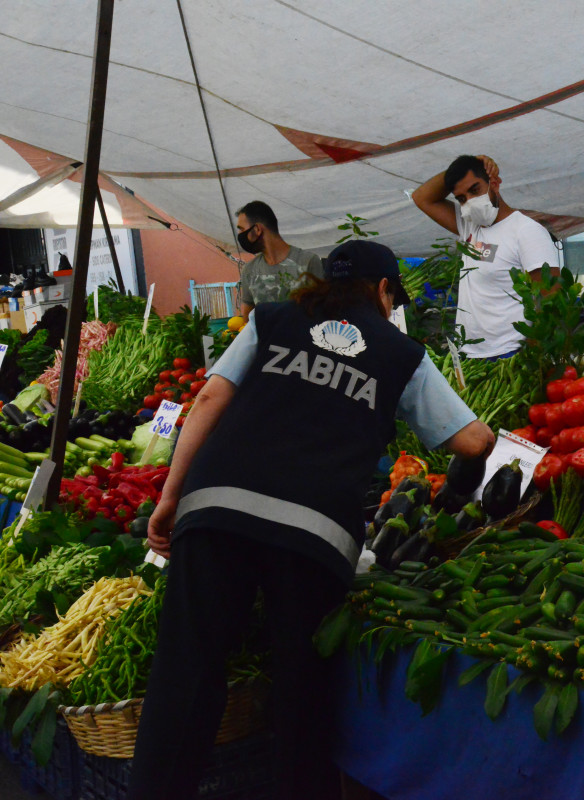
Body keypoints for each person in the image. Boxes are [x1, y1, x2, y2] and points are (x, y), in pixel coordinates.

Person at [128, 240, 494, 800]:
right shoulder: (401, 353)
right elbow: (476, 440)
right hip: (314, 530)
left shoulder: (272, 319)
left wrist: (171, 497)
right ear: (383, 291)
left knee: (187, 670)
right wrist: (458, 493)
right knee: (302, 690)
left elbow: (207, 401)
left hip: (218, 504)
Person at [412, 155, 560, 358]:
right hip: (469, 354)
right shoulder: (469, 226)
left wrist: (530, 360)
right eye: (462, 198)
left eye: (475, 190)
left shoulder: (527, 232)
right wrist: (468, 164)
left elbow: (550, 302)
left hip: (512, 354)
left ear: (495, 183)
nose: (470, 202)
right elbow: (422, 197)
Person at [235, 200, 325, 318]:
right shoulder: (250, 270)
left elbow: (323, 312)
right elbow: (247, 318)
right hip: (267, 337)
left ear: (257, 229)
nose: (240, 235)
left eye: (241, 229)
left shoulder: (308, 262)